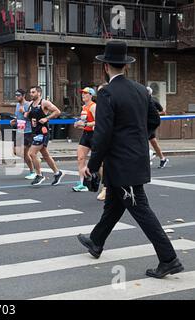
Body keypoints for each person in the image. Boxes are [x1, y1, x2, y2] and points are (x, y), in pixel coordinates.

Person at [77, 41, 183, 278]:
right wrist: (138, 137)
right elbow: (154, 121)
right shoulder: (140, 90)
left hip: (122, 164)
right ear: (125, 66)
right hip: (132, 160)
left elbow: (103, 134)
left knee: (141, 210)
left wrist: (91, 166)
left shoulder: (106, 93)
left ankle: (169, 258)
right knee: (114, 205)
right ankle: (96, 241)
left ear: (105, 67)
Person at [24, 86, 64, 186]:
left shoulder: (44, 102)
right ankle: (57, 173)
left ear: (39, 93)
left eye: (33, 92)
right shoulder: (30, 104)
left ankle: (39, 175)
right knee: (45, 155)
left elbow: (57, 111)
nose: (31, 94)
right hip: (35, 132)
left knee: (32, 153)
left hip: (43, 132)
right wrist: (22, 117)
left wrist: (47, 118)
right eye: (30, 92)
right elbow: (29, 116)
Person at [72, 87, 97, 192]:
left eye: (85, 93)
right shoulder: (84, 107)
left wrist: (85, 124)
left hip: (94, 135)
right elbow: (84, 122)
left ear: (91, 95)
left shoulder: (93, 106)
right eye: (82, 93)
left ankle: (106, 184)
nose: (83, 95)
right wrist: (78, 124)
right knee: (80, 158)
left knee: (99, 162)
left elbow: (98, 121)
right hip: (86, 134)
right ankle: (82, 183)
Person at [10, 89, 35, 180]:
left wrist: (24, 112)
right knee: (16, 151)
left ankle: (33, 171)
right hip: (19, 130)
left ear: (23, 95)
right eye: (16, 95)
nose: (16, 97)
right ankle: (34, 164)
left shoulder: (28, 105)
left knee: (24, 152)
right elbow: (18, 117)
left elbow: (32, 118)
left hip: (28, 131)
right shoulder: (17, 105)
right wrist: (14, 121)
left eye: (18, 95)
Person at [147, 86, 169, 169]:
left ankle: (148, 156)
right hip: (147, 124)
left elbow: (163, 112)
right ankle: (163, 159)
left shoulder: (153, 101)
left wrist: (155, 114)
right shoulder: (145, 101)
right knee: (153, 142)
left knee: (143, 140)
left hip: (150, 124)